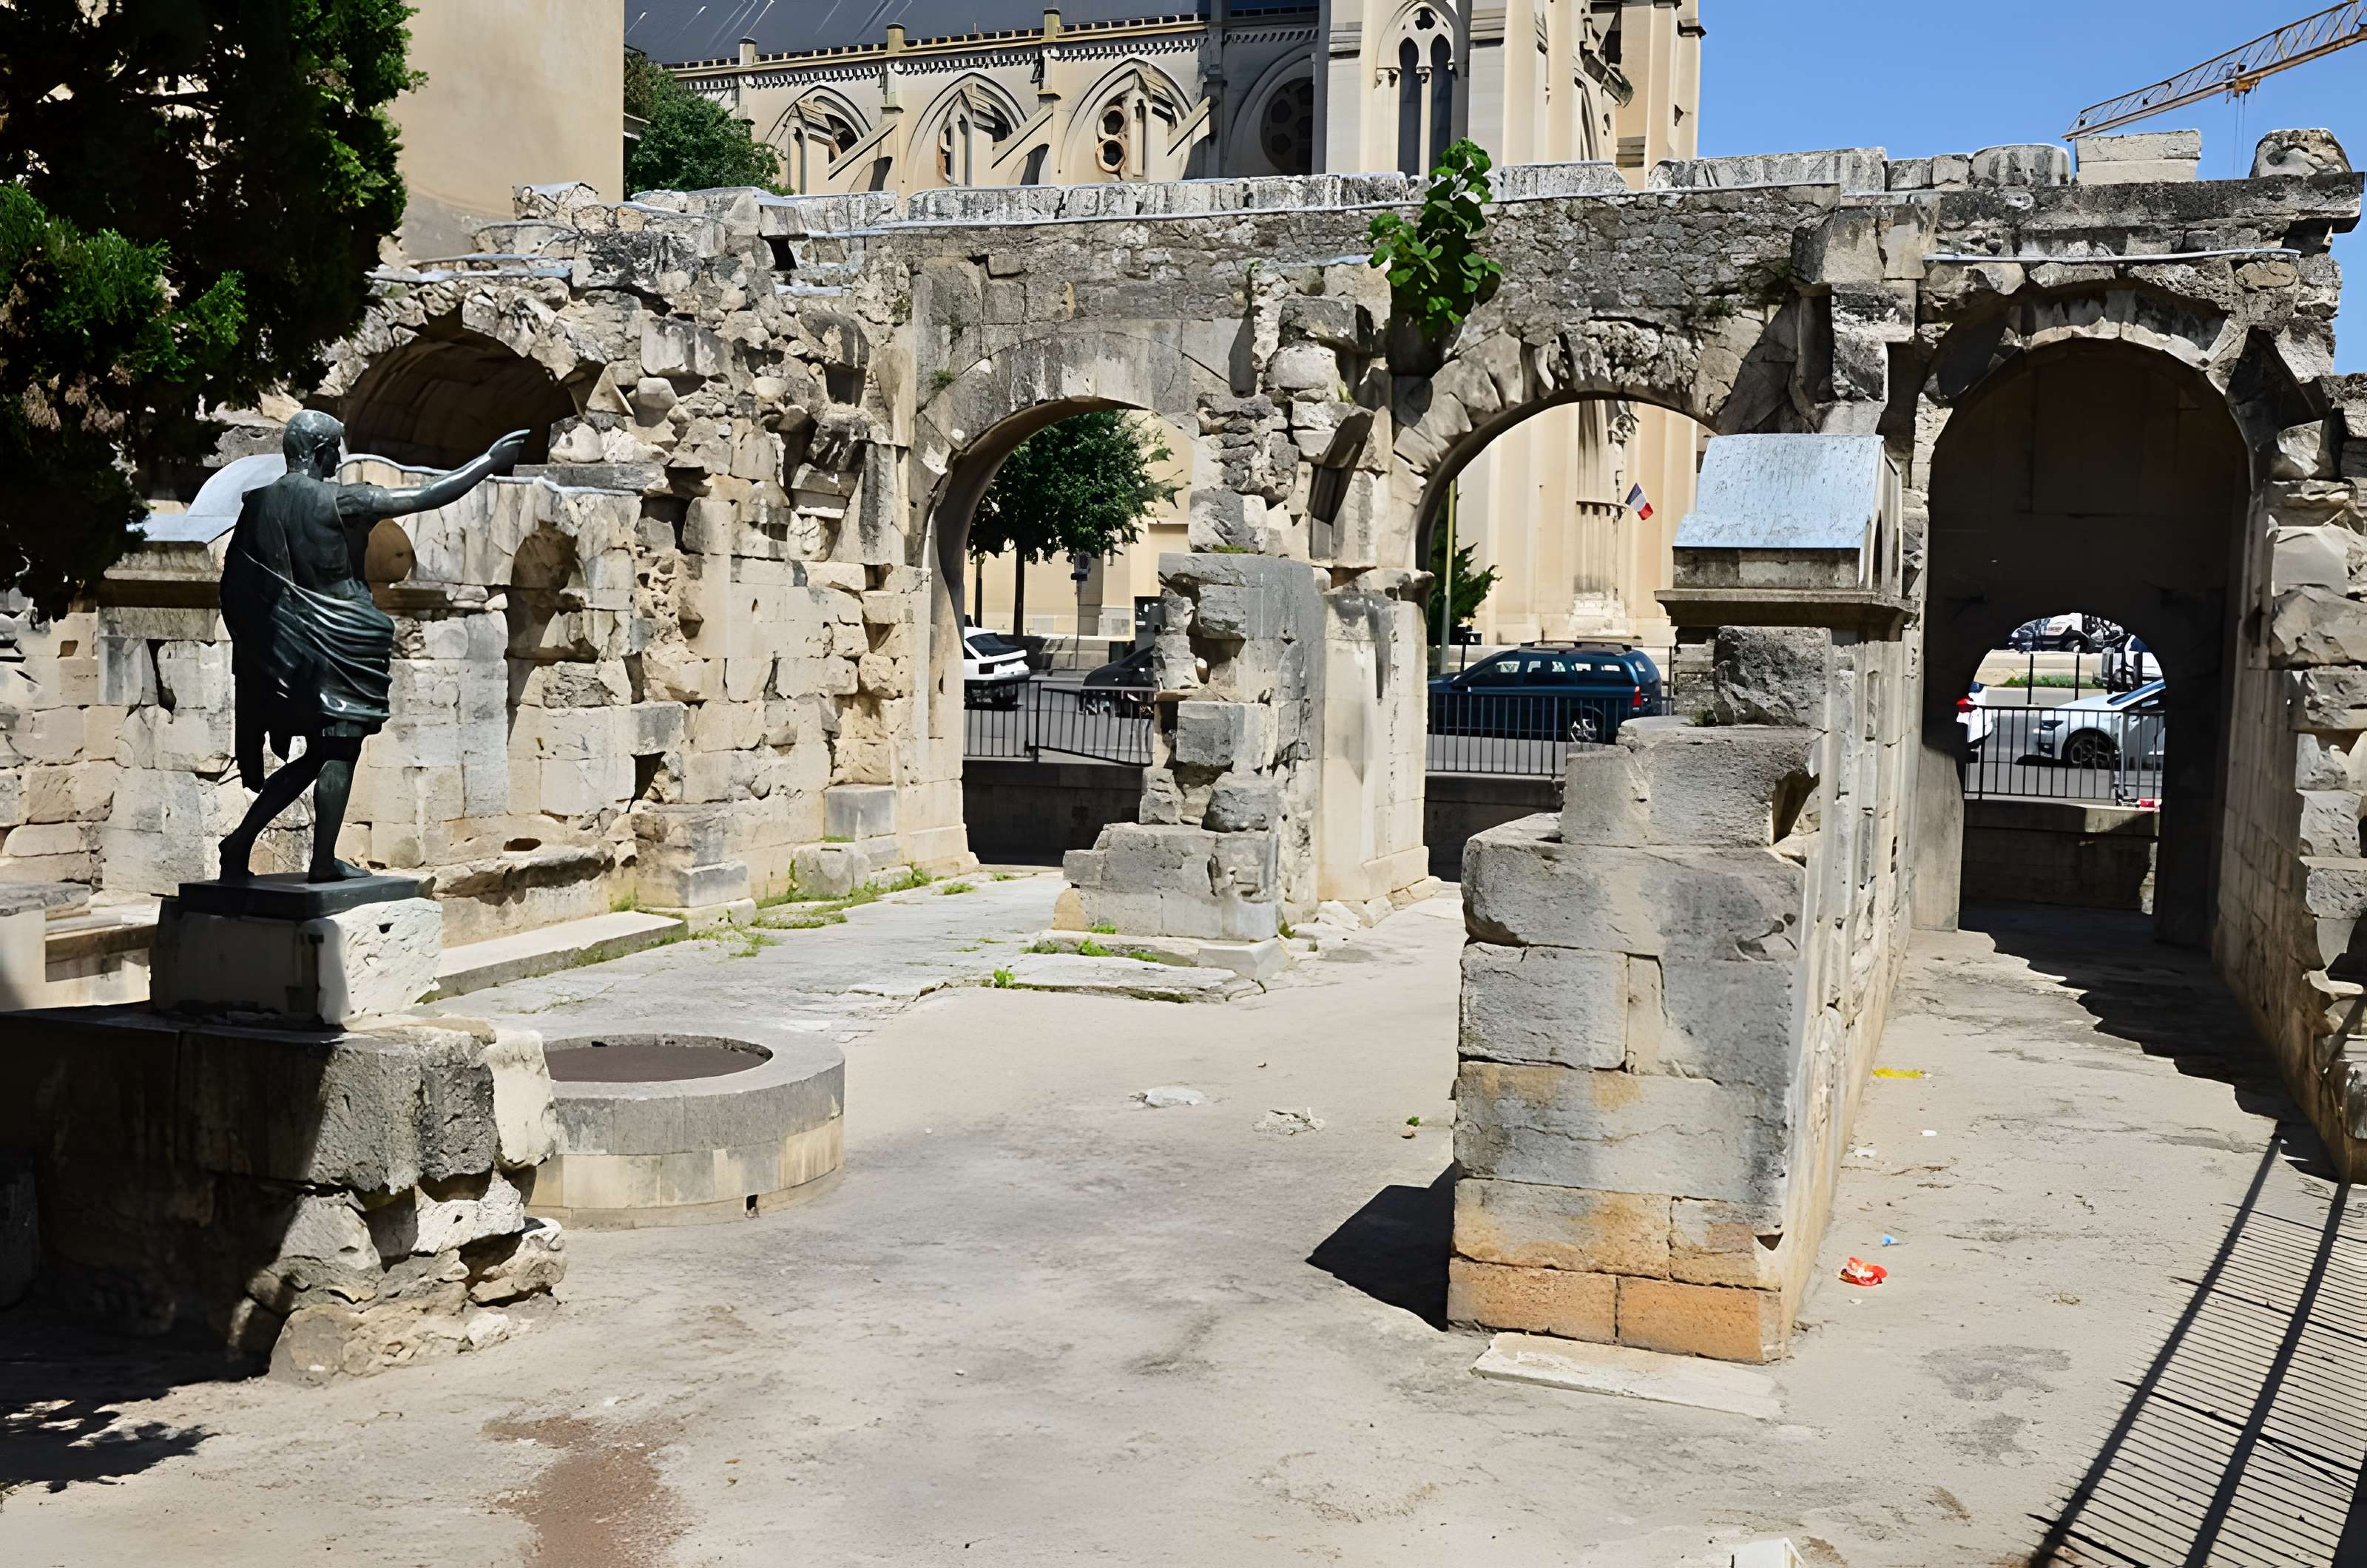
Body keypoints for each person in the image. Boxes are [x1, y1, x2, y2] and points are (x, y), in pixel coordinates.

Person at [217, 411, 526, 882]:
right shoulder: (341, 501)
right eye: (335, 450)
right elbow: (426, 495)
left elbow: (237, 586)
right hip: (341, 643)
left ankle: (239, 845)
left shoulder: (257, 505)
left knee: (321, 754)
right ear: (321, 451)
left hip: (292, 651)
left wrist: (266, 650)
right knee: (338, 752)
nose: (339, 458)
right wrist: (488, 461)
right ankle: (319, 863)